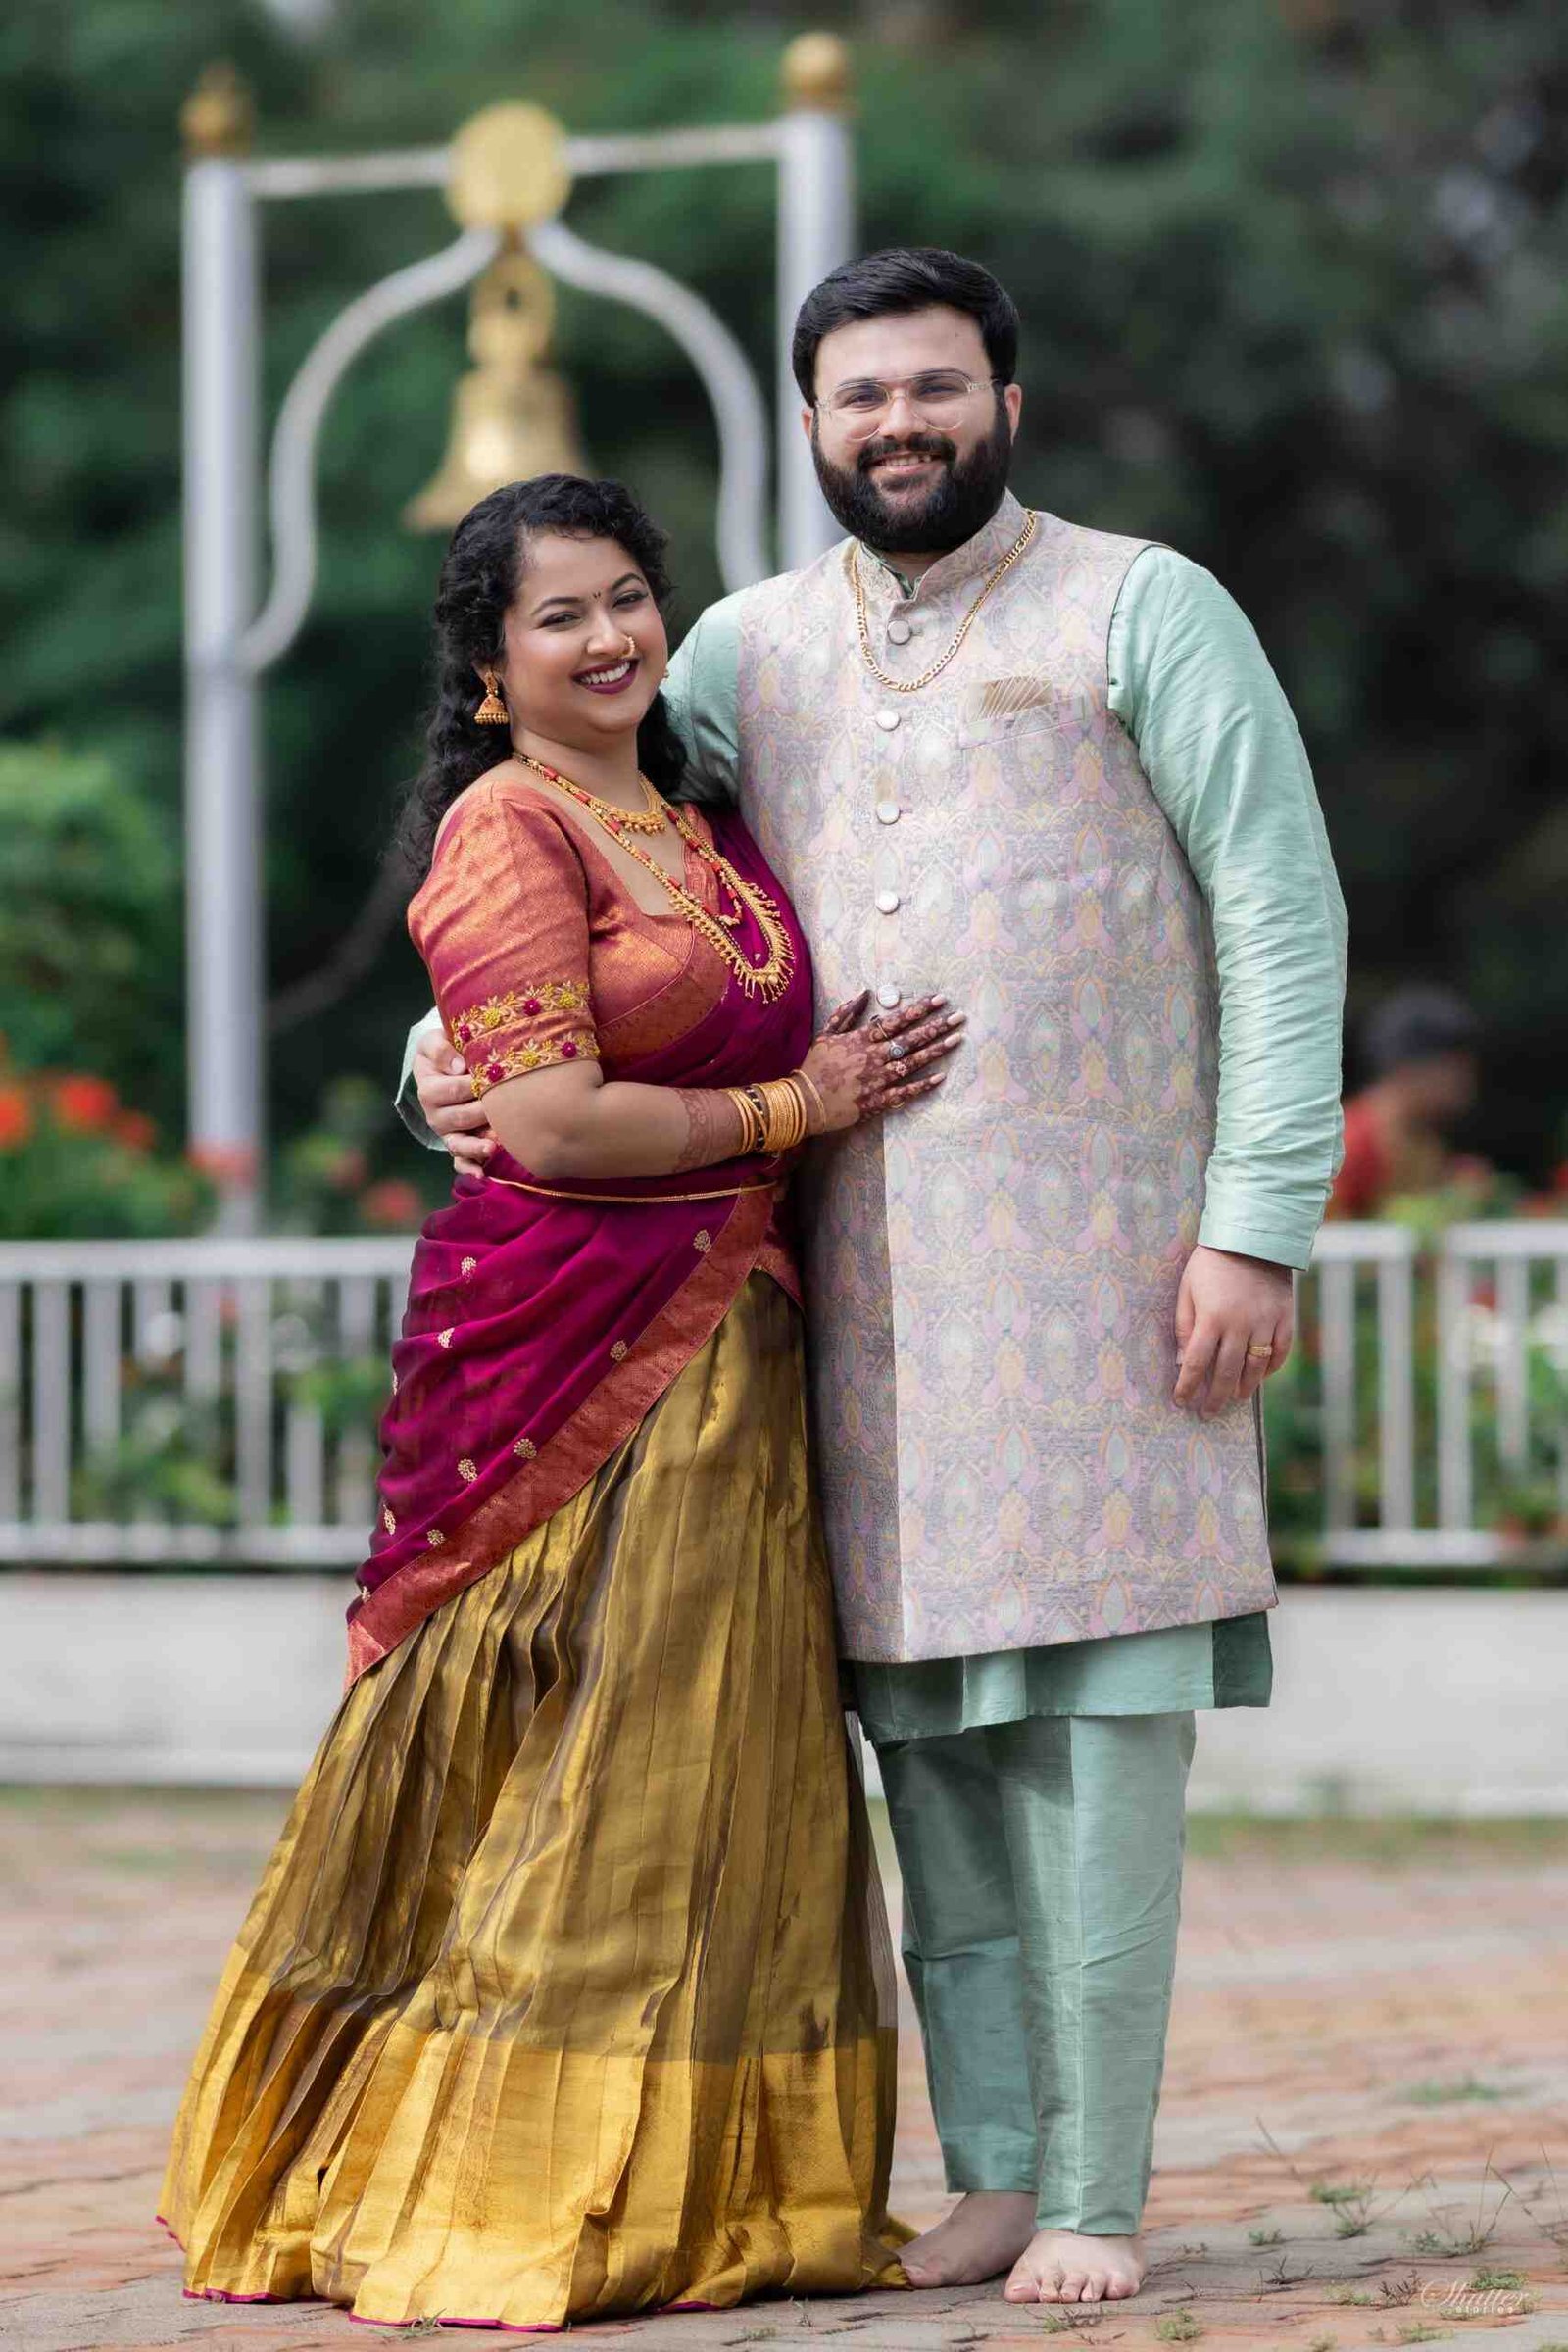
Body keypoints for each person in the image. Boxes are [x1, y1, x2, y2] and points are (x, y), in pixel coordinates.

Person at [404, 248, 1349, 2308]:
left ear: (1006, 403)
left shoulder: (1144, 607)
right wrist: (437, 1059)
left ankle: (1094, 2190)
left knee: (1100, 1738)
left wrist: (1255, 1222)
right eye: (860, 397)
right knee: (928, 1749)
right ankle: (993, 2171)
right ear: (815, 425)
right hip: (851, 1304)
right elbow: (582, 847)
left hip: (1112, 1284)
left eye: (933, 387)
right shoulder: (745, 650)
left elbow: (1280, 909)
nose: (898, 424)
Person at [160, 474, 970, 2331]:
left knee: (714, 1764)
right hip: (568, 1346)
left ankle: (713, 2197)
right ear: (491, 664)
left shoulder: (694, 811)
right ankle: (495, 2189)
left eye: (626, 598)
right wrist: (802, 1108)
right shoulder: (506, 828)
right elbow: (547, 1121)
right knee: (581, 1757)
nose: (607, 638)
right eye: (560, 615)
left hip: (733, 1344)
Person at [1328, 986, 1482, 1217]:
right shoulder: (1350, 1143)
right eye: (1455, 1067)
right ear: (1409, 1068)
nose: (1466, 1080)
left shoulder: (1424, 1138)